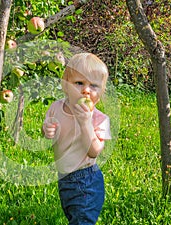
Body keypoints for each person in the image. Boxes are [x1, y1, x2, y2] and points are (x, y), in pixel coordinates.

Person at [42, 53, 111, 224]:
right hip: (64, 178)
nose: (86, 90)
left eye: (93, 85)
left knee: (81, 220)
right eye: (79, 83)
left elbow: (94, 152)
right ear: (66, 86)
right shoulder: (56, 107)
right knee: (73, 216)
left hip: (86, 180)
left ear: (100, 93)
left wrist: (85, 123)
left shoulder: (99, 119)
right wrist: (47, 130)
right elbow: (47, 128)